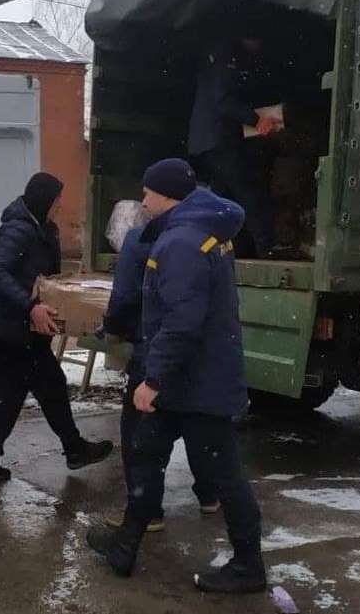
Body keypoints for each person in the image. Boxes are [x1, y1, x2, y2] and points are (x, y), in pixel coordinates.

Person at [86, 158, 266, 595]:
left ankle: (249, 566)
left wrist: (153, 379)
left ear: (167, 194)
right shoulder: (191, 231)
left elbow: (183, 321)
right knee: (146, 453)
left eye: (148, 191)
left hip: (197, 383)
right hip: (185, 380)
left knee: (225, 475)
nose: (143, 199)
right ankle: (125, 544)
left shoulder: (182, 242)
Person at [0, 172, 114, 485]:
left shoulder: (40, 226)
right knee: (47, 385)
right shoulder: (18, 229)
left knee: (16, 389)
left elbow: (41, 274)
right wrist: (30, 306)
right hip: (10, 326)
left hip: (17, 326)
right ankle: (73, 449)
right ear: (43, 200)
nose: (60, 205)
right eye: (57, 200)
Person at [101, 222, 219, 535]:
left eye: (148, 197)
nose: (145, 200)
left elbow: (124, 296)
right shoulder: (207, 234)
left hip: (153, 349)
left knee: (140, 432)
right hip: (196, 352)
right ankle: (209, 495)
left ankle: (147, 510)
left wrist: (113, 328)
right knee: (197, 423)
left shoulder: (143, 237)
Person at [188, 37, 283, 258]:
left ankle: (227, 250)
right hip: (220, 140)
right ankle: (266, 248)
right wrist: (256, 120)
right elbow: (223, 100)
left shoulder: (218, 57)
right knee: (249, 192)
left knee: (225, 198)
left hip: (209, 142)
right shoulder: (227, 58)